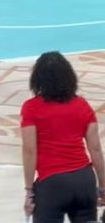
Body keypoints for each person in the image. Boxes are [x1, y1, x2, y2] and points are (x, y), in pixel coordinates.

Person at [21, 51, 105, 222]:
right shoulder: (82, 105)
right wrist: (103, 185)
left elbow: (30, 150)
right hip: (84, 181)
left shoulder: (31, 108)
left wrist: (29, 191)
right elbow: (95, 149)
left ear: (38, 79)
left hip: (52, 184)